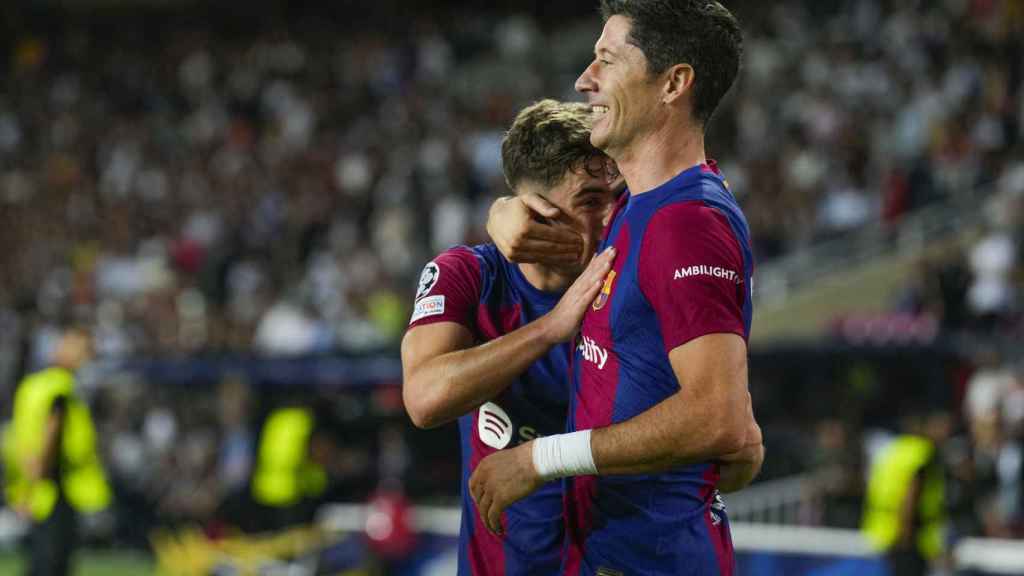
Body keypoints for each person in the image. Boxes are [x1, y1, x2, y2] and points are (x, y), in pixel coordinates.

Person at [469, 2, 763, 574]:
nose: (585, 79)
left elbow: (719, 417)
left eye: (607, 59)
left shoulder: (688, 224)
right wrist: (504, 209)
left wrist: (540, 459)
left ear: (674, 83)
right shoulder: (639, 209)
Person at [401, 99, 619, 575]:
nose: (611, 218)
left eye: (617, 196)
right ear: (536, 210)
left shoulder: (627, 283)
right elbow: (423, 398)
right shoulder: (468, 276)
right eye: (590, 201)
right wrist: (549, 329)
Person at [3, 328, 111, 576]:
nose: (86, 358)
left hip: (33, 482)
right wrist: (41, 468)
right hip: (57, 483)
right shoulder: (61, 386)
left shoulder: (32, 385)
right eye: (83, 351)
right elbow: (53, 427)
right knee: (53, 560)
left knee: (40, 557)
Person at [862, 409, 951, 576]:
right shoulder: (922, 452)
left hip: (882, 532)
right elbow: (911, 494)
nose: (945, 432)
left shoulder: (893, 448)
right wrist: (906, 536)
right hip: (908, 540)